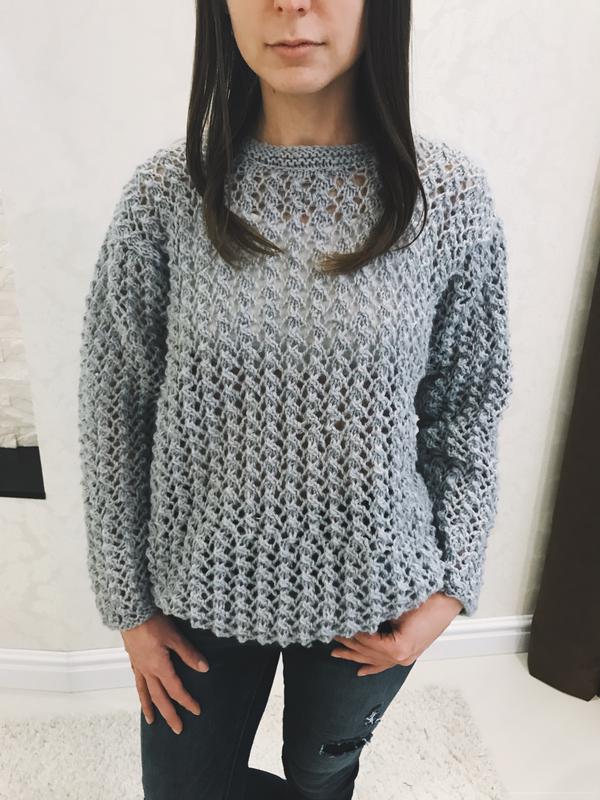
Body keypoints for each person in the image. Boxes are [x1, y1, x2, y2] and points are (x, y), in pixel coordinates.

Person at [77, 1, 513, 798]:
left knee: (320, 776)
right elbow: (115, 414)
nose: (290, 4)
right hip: (200, 583)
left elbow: (468, 409)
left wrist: (451, 588)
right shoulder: (167, 195)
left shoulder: (447, 197)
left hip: (376, 590)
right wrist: (130, 609)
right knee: (183, 788)